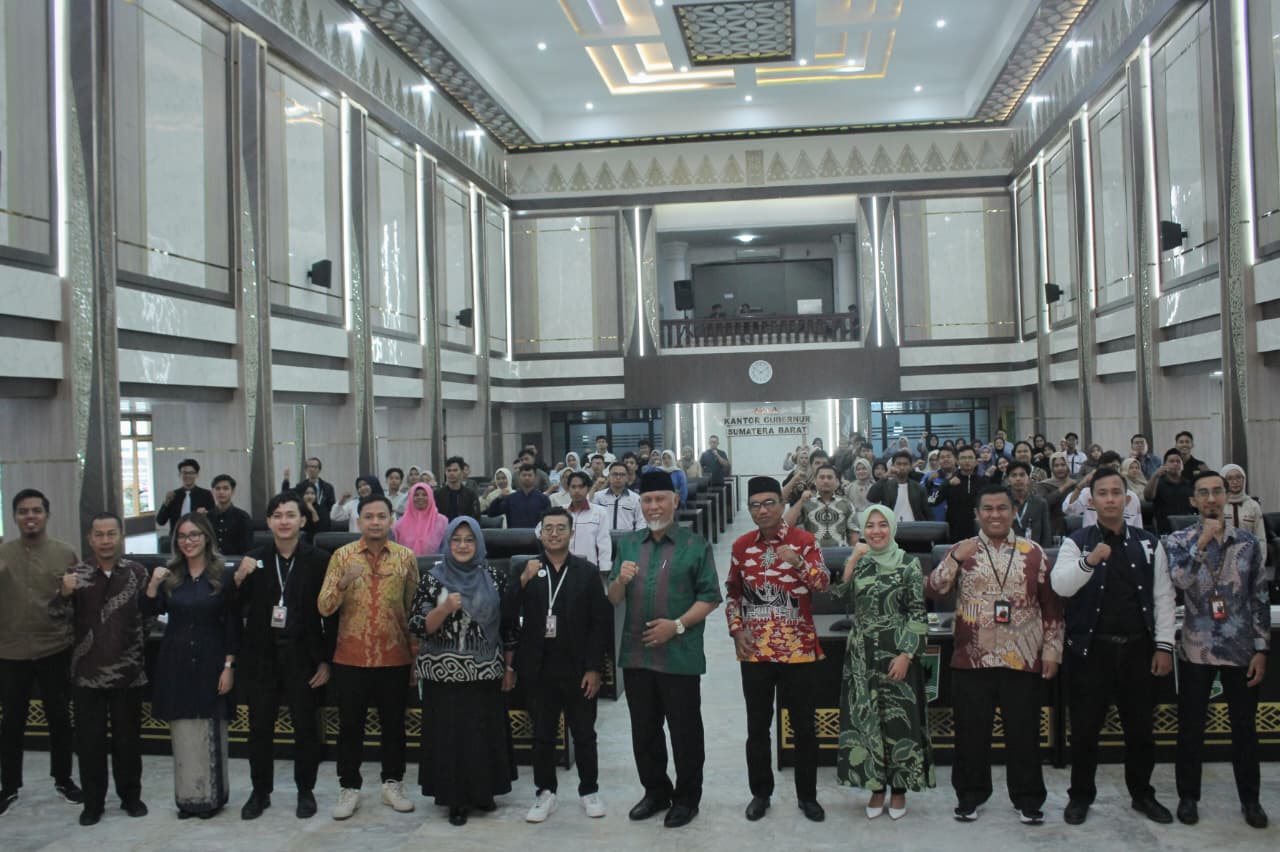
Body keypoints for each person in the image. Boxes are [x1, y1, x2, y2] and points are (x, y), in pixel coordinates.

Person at [925, 485, 1063, 824]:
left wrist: (1052, 650)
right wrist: (955, 560)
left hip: (1023, 657)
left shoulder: (1034, 553)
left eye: (1002, 508)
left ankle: (1028, 798)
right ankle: (969, 795)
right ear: (977, 514)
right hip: (972, 659)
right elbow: (933, 589)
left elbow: (1051, 607)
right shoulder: (962, 549)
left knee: (1024, 733)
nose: (995, 515)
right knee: (970, 734)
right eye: (987, 509)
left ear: (1014, 512)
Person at [1051, 468, 1176, 826]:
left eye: (1116, 492)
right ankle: (1080, 796)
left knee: (1140, 730)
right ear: (1091, 500)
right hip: (1091, 652)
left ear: (1127, 498)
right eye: (1102, 493)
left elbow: (1163, 596)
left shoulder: (1149, 543)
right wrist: (1089, 561)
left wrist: (1164, 646)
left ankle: (1142, 794)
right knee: (1085, 730)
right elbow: (1061, 586)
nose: (1109, 499)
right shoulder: (1077, 541)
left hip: (1139, 651)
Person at [607, 470, 721, 829]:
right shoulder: (628, 544)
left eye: (660, 499)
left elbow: (710, 597)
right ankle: (655, 791)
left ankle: (687, 798)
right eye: (647, 500)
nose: (653, 506)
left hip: (680, 655)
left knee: (685, 732)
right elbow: (613, 597)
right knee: (644, 731)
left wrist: (677, 626)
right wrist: (620, 580)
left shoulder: (694, 545)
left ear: (674, 500)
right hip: (637, 654)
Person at [1165, 471, 1270, 829]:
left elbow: (1259, 596)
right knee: (1191, 728)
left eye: (1217, 492)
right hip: (1197, 648)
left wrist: (1261, 649)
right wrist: (1202, 543)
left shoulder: (1247, 542)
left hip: (1240, 649)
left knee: (1244, 728)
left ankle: (1251, 801)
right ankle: (1188, 798)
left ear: (1226, 496)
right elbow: (1180, 581)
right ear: (1192, 501)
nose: (1211, 499)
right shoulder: (1179, 540)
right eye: (1203, 493)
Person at [726, 477, 830, 823]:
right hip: (755, 652)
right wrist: (736, 629)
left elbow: (823, 583)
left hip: (798, 650)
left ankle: (807, 796)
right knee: (757, 727)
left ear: (782, 505)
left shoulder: (804, 541)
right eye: (755, 505)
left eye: (770, 502)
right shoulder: (741, 546)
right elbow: (733, 594)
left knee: (804, 727)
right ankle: (760, 794)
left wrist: (799, 563)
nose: (763, 510)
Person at [503, 508, 611, 824]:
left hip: (578, 669)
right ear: (540, 533)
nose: (554, 533)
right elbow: (506, 613)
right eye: (548, 528)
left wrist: (594, 668)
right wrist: (522, 581)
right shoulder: (525, 568)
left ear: (571, 532)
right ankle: (545, 792)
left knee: (584, 734)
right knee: (543, 735)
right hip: (538, 669)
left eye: (560, 528)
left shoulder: (586, 572)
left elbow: (600, 624)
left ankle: (589, 790)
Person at [231, 492, 335, 820]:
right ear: (268, 522)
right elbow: (232, 607)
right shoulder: (254, 559)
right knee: (259, 729)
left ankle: (306, 791)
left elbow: (332, 614)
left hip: (303, 657)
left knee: (305, 728)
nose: (284, 521)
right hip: (262, 658)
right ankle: (260, 792)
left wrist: (326, 660)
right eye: (277, 516)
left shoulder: (319, 560)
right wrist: (238, 578)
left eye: (290, 515)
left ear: (302, 520)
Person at [317, 495, 419, 820]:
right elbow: (324, 607)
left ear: (391, 520)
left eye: (381, 516)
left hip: (395, 657)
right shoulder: (342, 556)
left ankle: (393, 784)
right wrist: (344, 582)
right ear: (359, 521)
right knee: (350, 728)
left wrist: (415, 656)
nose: (375, 522)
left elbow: (413, 610)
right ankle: (349, 787)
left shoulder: (405, 558)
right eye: (369, 516)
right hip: (350, 658)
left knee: (394, 727)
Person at [410, 517, 517, 826]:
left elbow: (508, 627)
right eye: (456, 539)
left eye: (469, 539)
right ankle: (454, 799)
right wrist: (443, 609)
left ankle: (484, 792)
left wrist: (509, 666)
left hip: (485, 673)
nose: (462, 545)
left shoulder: (495, 577)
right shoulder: (432, 579)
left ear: (479, 543)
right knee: (450, 738)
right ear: (447, 543)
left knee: (482, 735)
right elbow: (418, 626)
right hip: (442, 676)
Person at [831, 506, 933, 819]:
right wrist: (851, 559)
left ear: (892, 528)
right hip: (862, 654)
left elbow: (918, 613)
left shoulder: (908, 563)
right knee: (866, 721)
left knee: (899, 720)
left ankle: (899, 790)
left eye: (882, 525)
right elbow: (837, 596)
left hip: (896, 651)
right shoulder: (860, 562)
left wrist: (906, 655)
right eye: (870, 526)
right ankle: (876, 788)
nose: (876, 531)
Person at [49, 513, 147, 826]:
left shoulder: (137, 572)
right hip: (86, 675)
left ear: (121, 536)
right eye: (99, 534)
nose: (106, 540)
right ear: (90, 539)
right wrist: (64, 593)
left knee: (127, 742)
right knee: (90, 745)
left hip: (128, 675)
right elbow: (55, 615)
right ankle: (93, 803)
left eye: (111, 533)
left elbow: (149, 615)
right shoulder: (75, 575)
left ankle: (131, 797)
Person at [143, 513, 239, 819]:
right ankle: (187, 799)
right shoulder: (171, 576)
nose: (189, 541)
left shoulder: (222, 575)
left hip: (212, 660)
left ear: (206, 537)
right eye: (183, 536)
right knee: (183, 731)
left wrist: (228, 665)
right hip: (177, 661)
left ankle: (212, 798)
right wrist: (152, 584)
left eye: (195, 535)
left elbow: (232, 624)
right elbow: (148, 612)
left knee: (210, 728)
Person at [0, 489, 81, 816]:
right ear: (14, 517)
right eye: (23, 511)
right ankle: (9, 786)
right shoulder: (3, 553)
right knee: (11, 722)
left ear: (47, 515)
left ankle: (63, 779)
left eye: (36, 510)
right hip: (10, 650)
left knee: (59, 718)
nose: (30, 516)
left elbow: (77, 602)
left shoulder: (65, 553)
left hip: (54, 648)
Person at [546, 471, 612, 569]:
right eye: (573, 487)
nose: (577, 491)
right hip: (561, 566)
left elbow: (604, 542)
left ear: (588, 489)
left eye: (581, 487)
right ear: (568, 489)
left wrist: (604, 568)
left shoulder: (600, 512)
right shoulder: (560, 511)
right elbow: (540, 531)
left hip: (589, 566)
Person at [1063, 452, 1143, 529]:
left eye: (1115, 467)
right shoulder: (1087, 493)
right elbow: (1068, 509)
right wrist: (1080, 485)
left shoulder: (1132, 497)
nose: (1109, 472)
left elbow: (1138, 528)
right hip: (1092, 537)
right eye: (1105, 468)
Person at [784, 464, 858, 548]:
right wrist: (801, 501)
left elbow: (853, 535)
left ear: (837, 481)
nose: (825, 481)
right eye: (822, 477)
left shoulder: (847, 504)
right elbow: (785, 525)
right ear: (815, 481)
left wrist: (852, 554)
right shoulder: (806, 503)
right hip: (812, 553)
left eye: (829, 477)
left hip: (840, 552)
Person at [1221, 464, 1268, 566]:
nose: (1235, 482)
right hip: (1223, 560)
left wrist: (1260, 563)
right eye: (1230, 478)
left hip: (1248, 559)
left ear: (1244, 479)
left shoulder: (1253, 505)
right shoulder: (1219, 504)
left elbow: (1260, 538)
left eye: (1239, 477)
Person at [1144, 449, 1194, 534]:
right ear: (1164, 465)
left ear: (1182, 466)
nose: (1175, 464)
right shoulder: (1157, 483)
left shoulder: (1189, 484)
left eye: (1178, 461)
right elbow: (1148, 497)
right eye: (1171, 461)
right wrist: (1155, 476)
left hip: (1187, 528)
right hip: (1164, 529)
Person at [867, 450, 927, 523]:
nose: (902, 467)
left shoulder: (919, 488)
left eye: (905, 464)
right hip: (891, 527)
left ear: (910, 466)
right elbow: (871, 497)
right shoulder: (886, 486)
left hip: (914, 527)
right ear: (893, 466)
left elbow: (926, 512)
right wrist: (885, 476)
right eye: (899, 464)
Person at [155, 459, 216, 529]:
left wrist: (206, 515)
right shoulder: (173, 495)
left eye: (191, 473)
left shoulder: (206, 494)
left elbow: (214, 520)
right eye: (184, 473)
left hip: (197, 534)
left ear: (197, 475)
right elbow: (160, 522)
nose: (188, 476)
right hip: (176, 535)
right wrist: (166, 502)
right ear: (179, 475)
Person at [488, 465, 552, 528]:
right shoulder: (510, 499)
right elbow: (492, 513)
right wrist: (499, 498)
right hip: (514, 534)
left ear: (535, 477)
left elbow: (549, 520)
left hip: (536, 534)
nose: (527, 478)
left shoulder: (543, 499)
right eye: (524, 475)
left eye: (530, 475)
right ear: (519, 477)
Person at [394, 482, 449, 557]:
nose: (420, 497)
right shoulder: (400, 524)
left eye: (425, 495)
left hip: (435, 564)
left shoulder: (442, 522)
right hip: (406, 563)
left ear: (431, 497)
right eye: (416, 495)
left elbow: (446, 548)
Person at [1006, 461, 1052, 547]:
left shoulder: (1040, 503)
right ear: (1008, 480)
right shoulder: (1003, 504)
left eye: (1022, 475)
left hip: (1034, 551)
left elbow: (1046, 536)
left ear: (1029, 479)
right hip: (1008, 551)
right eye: (1014, 475)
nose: (1018, 478)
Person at [940, 447, 981, 542]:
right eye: (963, 458)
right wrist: (947, 485)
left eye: (970, 458)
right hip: (954, 530)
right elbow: (932, 500)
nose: (967, 461)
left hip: (977, 530)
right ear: (957, 461)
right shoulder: (950, 481)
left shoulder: (983, 482)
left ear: (976, 461)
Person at [208, 474, 253, 555]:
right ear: (212, 492)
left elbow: (247, 548)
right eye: (217, 488)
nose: (221, 492)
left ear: (233, 491)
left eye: (225, 488)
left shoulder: (243, 517)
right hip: (211, 560)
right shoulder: (206, 517)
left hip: (236, 560)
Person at [1035, 452, 1076, 537]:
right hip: (1052, 530)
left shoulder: (1074, 484)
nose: (1060, 468)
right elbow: (1043, 503)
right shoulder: (1043, 485)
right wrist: (1063, 487)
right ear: (1051, 468)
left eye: (1063, 465)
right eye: (1056, 466)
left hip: (1073, 529)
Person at [594, 461, 643, 532]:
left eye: (622, 474)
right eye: (615, 474)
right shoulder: (598, 496)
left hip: (627, 537)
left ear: (627, 478)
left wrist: (637, 538)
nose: (618, 477)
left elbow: (641, 522)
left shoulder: (636, 498)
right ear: (608, 477)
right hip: (603, 536)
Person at [436, 456, 481, 521]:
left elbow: (476, 517)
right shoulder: (437, 494)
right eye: (449, 470)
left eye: (455, 470)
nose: (451, 473)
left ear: (462, 472)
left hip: (464, 526)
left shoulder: (470, 494)